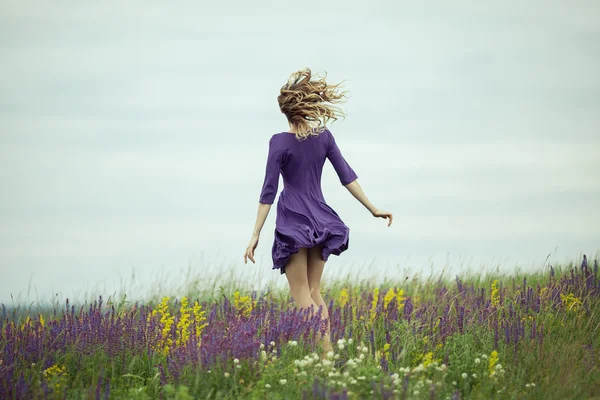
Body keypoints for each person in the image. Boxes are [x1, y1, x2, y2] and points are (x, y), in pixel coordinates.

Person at [244, 67, 393, 357]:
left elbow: (268, 192)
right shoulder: (324, 137)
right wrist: (373, 208)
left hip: (294, 220)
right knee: (315, 293)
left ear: (286, 113)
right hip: (322, 218)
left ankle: (324, 359)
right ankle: (326, 356)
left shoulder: (278, 142)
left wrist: (255, 234)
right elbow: (347, 176)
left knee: (301, 294)